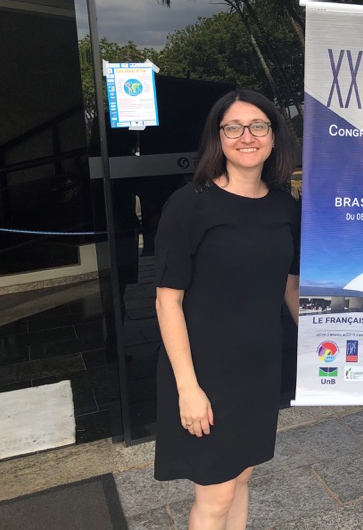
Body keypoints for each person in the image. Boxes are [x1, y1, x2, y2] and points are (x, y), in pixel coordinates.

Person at [153, 89, 301, 529]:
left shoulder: (283, 205)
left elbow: (290, 286)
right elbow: (167, 299)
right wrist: (187, 388)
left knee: (241, 479)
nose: (247, 137)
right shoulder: (190, 205)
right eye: (233, 128)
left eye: (258, 126)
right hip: (205, 373)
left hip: (259, 368)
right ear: (218, 138)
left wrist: (321, 346)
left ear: (274, 137)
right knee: (215, 495)